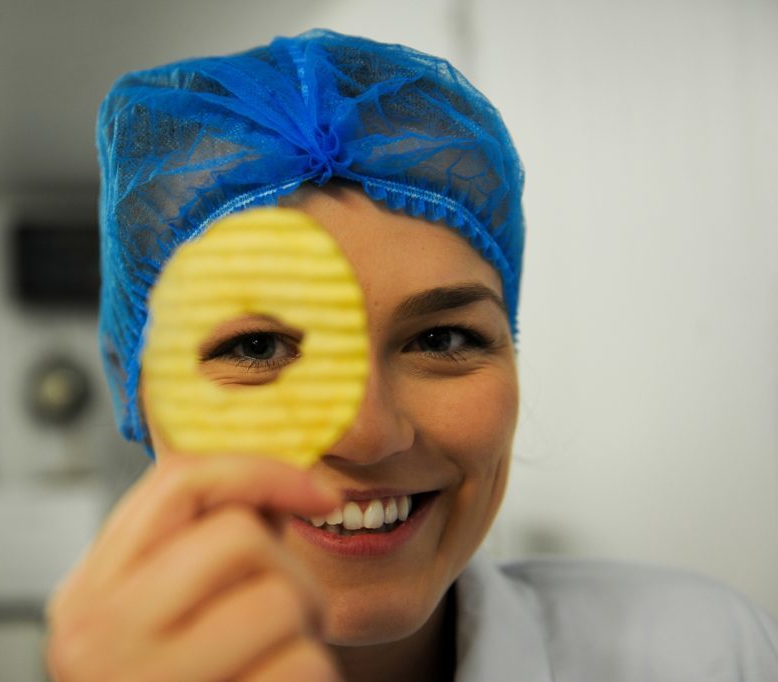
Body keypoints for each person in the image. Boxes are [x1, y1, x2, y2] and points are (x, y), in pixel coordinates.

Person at [45, 30, 778, 682]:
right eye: (258, 348)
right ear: (136, 389)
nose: (367, 432)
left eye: (441, 340)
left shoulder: (706, 653)